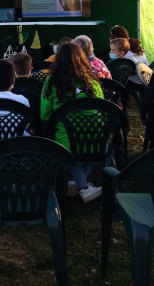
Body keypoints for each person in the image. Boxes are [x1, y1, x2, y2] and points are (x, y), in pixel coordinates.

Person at [40, 42, 105, 204]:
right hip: (97, 142)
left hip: (66, 144)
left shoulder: (51, 83)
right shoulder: (93, 81)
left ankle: (81, 186)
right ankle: (82, 185)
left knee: (70, 151)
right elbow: (103, 110)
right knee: (82, 150)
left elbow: (45, 114)